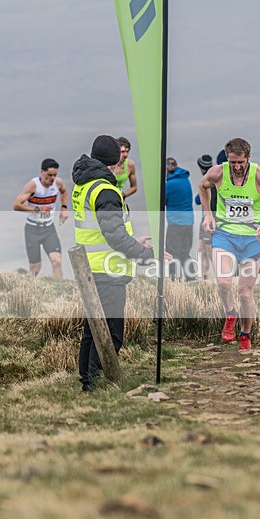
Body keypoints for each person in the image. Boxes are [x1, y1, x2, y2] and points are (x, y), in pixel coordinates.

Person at [72, 135, 170, 391]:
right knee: (111, 334)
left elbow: (101, 230)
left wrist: (133, 240)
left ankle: (88, 381)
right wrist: (147, 256)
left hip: (90, 267)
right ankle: (96, 387)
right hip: (107, 270)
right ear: (117, 159)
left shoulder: (84, 184)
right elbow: (114, 236)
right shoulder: (105, 190)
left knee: (93, 329)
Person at [199, 138, 260, 351]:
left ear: (248, 158)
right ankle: (230, 314)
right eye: (233, 162)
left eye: (241, 162)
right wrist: (208, 215)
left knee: (245, 292)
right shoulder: (218, 173)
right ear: (227, 159)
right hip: (225, 235)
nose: (237, 167)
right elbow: (203, 186)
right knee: (223, 283)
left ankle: (245, 334)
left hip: (252, 240)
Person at [13, 158, 69, 278]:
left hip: (49, 228)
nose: (52, 178)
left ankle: (59, 292)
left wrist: (64, 208)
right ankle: (19, 280)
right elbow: (16, 205)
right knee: (35, 269)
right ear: (42, 172)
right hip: (32, 229)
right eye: (49, 175)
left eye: (55, 175)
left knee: (57, 261)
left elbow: (64, 192)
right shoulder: (33, 186)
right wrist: (37, 209)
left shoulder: (57, 183)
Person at [165, 157, 195, 280]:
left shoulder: (169, 184)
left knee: (172, 253)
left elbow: (162, 201)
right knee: (185, 252)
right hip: (188, 223)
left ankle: (175, 280)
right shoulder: (185, 180)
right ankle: (191, 279)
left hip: (175, 223)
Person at [194, 154, 217, 280]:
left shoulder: (209, 180)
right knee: (202, 248)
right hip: (206, 218)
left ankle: (218, 276)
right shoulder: (213, 177)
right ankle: (205, 277)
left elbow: (197, 200)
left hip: (210, 218)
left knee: (208, 249)